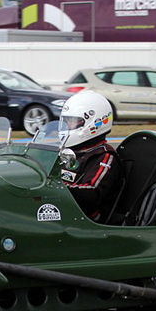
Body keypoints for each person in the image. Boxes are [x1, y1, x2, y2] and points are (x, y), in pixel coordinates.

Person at [59, 90, 122, 222]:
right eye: (66, 122)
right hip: (63, 209)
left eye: (73, 122)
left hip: (86, 221)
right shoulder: (70, 150)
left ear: (94, 123)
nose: (68, 126)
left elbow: (92, 193)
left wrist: (56, 187)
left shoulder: (104, 156)